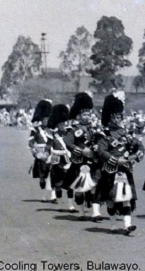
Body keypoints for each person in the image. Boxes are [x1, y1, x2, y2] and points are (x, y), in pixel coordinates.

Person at [94, 91, 145, 235]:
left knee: (127, 197)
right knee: (111, 199)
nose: (118, 119)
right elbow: (101, 152)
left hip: (125, 170)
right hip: (110, 170)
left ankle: (128, 224)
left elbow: (139, 146)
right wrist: (116, 160)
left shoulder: (126, 133)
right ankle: (112, 223)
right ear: (110, 118)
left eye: (119, 116)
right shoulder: (104, 134)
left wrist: (136, 155)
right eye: (115, 116)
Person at [63, 92, 101, 220]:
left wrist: (97, 146)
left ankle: (95, 212)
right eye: (84, 114)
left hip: (93, 160)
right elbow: (68, 143)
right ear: (78, 115)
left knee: (94, 185)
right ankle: (81, 212)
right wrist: (80, 150)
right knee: (79, 189)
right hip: (80, 161)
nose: (87, 116)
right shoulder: (73, 128)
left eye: (88, 114)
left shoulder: (94, 127)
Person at [46, 104, 76, 212]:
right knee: (58, 184)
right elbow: (48, 146)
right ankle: (59, 204)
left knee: (70, 184)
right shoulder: (52, 134)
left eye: (64, 123)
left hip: (68, 159)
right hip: (56, 159)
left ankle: (70, 205)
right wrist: (48, 156)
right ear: (57, 124)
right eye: (61, 123)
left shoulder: (70, 133)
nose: (63, 125)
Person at [28, 99, 56, 203]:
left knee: (52, 173)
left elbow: (53, 142)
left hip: (50, 153)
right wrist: (36, 153)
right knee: (43, 176)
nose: (46, 120)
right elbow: (31, 143)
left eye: (48, 118)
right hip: (40, 155)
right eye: (45, 118)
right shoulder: (35, 130)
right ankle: (43, 186)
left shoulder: (51, 130)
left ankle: (53, 195)